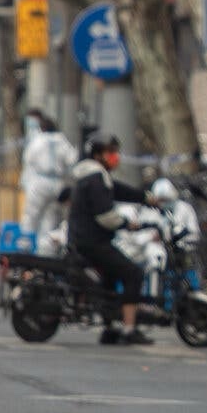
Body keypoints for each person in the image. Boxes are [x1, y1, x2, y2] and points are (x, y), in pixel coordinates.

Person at [67, 133, 152, 345]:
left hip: (83, 240)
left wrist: (145, 198)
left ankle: (110, 328)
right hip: (93, 242)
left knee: (111, 278)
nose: (115, 157)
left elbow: (116, 190)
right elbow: (105, 216)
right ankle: (129, 328)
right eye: (110, 152)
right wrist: (126, 223)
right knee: (133, 274)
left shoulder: (92, 176)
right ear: (98, 155)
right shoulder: (96, 178)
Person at [19, 113, 76, 237]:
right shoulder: (63, 141)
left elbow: (28, 158)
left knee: (32, 215)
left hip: (40, 181)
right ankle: (46, 248)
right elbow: (72, 160)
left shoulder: (38, 141)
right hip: (58, 182)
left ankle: (25, 244)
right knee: (51, 218)